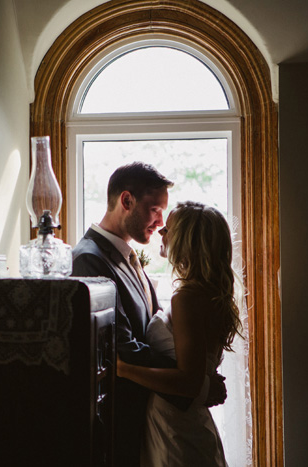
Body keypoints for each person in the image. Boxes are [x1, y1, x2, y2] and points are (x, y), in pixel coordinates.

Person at [72, 163, 225, 466]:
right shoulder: (90, 259)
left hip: (156, 418)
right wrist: (196, 383)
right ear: (126, 201)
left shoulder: (129, 256)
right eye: (155, 210)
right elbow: (121, 347)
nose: (160, 223)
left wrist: (194, 375)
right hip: (124, 421)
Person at [116, 201, 244, 467]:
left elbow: (189, 382)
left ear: (187, 240)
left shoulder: (187, 298)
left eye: (169, 229)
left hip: (177, 425)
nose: (162, 231)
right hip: (180, 420)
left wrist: (123, 369)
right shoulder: (204, 292)